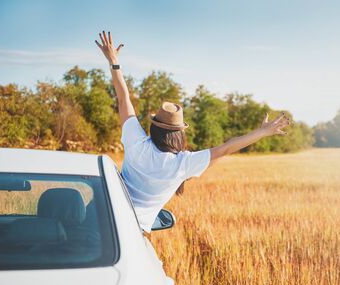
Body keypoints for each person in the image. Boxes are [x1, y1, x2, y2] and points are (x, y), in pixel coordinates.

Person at [95, 31, 291, 233]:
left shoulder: (136, 142)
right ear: (179, 134)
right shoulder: (182, 164)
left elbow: (123, 99)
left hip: (105, 217)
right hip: (133, 231)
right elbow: (226, 149)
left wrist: (113, 61)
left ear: (154, 126)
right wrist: (263, 132)